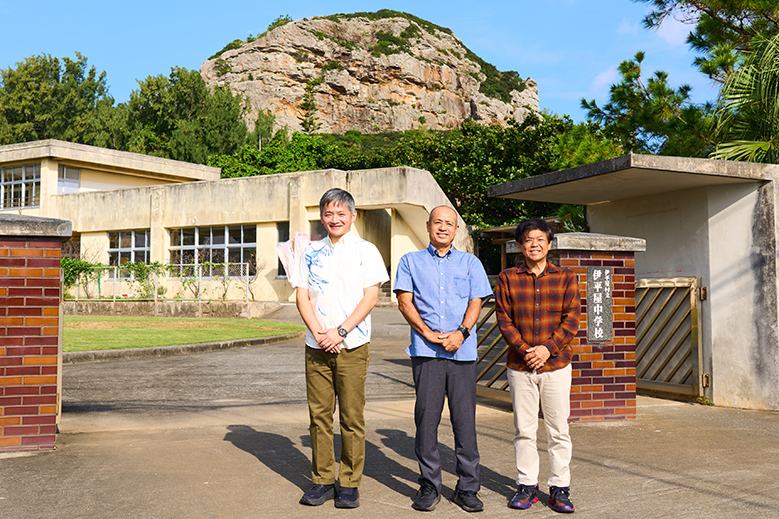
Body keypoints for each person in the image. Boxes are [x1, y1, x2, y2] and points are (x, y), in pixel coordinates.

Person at [292, 188, 389, 509]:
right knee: (319, 417)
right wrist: (320, 333)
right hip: (316, 344)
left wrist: (341, 331)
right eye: (329, 214)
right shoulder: (308, 251)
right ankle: (321, 480)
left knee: (351, 416)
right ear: (322, 216)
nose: (334, 219)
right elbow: (301, 296)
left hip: (352, 345)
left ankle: (348, 482)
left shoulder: (367, 251)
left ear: (353, 216)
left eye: (341, 214)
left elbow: (370, 297)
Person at [394, 205, 493, 513]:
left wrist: (461, 333)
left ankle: (467, 487)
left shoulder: (470, 263)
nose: (443, 228)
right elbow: (404, 300)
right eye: (438, 222)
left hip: (462, 353)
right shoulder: (410, 261)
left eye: (449, 224)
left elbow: (476, 301)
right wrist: (428, 333)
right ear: (428, 226)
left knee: (465, 423)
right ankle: (429, 485)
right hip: (426, 352)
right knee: (426, 421)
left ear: (456, 230)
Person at [494, 218, 581, 514]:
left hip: (556, 365)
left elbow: (571, 320)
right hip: (520, 367)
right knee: (524, 429)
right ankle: (527, 485)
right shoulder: (508, 277)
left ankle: (560, 488)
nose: (534, 244)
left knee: (558, 430)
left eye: (540, 239)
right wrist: (524, 350)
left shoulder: (566, 277)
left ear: (549, 243)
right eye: (528, 240)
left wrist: (546, 349)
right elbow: (504, 320)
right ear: (520, 245)